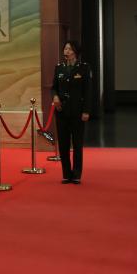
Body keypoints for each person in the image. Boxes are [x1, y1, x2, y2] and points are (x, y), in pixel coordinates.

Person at [51, 40, 92, 184]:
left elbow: (88, 91)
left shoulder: (84, 68)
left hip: (77, 111)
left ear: (75, 52)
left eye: (69, 49)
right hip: (61, 111)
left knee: (77, 144)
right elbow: (54, 87)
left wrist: (86, 111)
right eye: (65, 49)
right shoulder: (59, 68)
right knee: (63, 144)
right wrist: (55, 96)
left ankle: (76, 174)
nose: (66, 51)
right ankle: (66, 173)